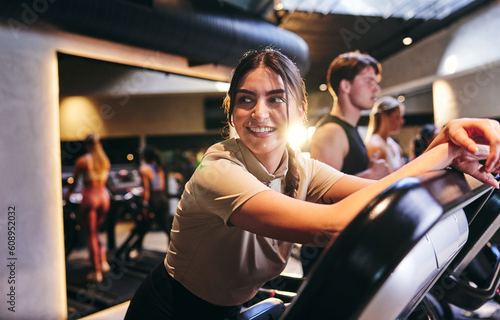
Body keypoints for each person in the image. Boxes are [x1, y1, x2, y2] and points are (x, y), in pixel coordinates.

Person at [124, 48, 500, 320]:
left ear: (301, 112)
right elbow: (333, 224)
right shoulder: (217, 170)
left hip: (228, 310)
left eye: (276, 99)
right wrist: (445, 150)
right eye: (245, 100)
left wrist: (448, 148)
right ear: (232, 110)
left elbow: (380, 192)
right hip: (170, 310)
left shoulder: (300, 167)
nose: (259, 113)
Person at [302, 51, 391, 275]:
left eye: (376, 83)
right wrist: (371, 175)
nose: (376, 89)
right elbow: (321, 196)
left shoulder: (348, 130)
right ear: (346, 86)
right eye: (369, 81)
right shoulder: (332, 131)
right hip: (327, 253)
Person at [66, 133, 111, 283]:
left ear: (86, 145)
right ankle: (103, 262)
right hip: (104, 197)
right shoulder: (104, 160)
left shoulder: (83, 161)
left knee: (90, 234)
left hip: (91, 197)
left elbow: (74, 183)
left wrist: (68, 195)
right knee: (97, 232)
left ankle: (96, 271)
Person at [135, 146, 171, 253]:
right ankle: (172, 252)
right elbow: (162, 185)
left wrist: (144, 204)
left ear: (145, 156)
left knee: (143, 226)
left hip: (153, 199)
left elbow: (146, 189)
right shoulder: (159, 167)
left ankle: (138, 250)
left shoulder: (143, 168)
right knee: (166, 227)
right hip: (162, 198)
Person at [365, 95, 406, 172]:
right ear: (383, 116)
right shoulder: (375, 145)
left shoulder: (394, 145)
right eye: (397, 117)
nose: (402, 121)